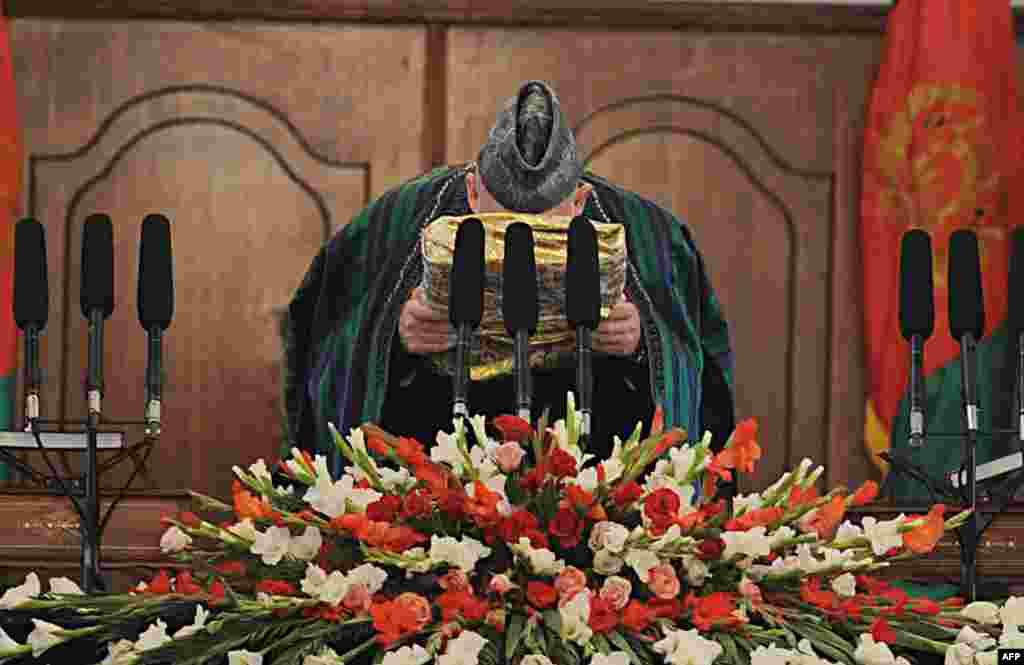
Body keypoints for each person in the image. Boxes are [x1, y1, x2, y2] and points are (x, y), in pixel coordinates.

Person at [281, 80, 735, 479]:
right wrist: (396, 339)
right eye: (503, 228)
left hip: (592, 499)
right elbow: (322, 339)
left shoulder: (647, 232)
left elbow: (699, 371)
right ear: (474, 189)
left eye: (546, 233)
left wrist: (641, 343)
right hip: (431, 491)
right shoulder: (398, 222)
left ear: (579, 202)